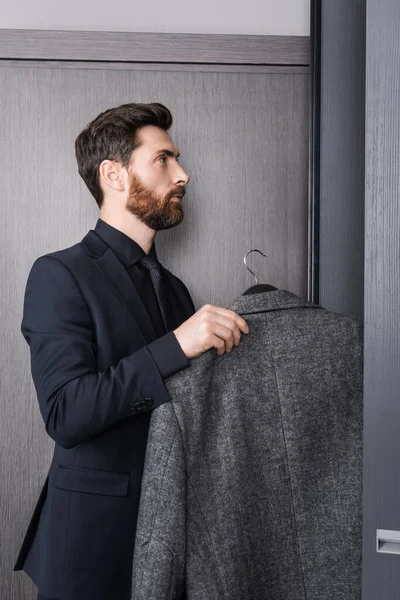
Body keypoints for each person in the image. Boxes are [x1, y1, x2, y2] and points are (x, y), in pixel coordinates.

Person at [13, 102, 249, 600]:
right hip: (92, 550)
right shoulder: (59, 275)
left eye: (178, 159)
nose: (183, 174)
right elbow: (66, 412)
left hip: (175, 548)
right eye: (164, 159)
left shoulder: (177, 290)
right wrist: (177, 346)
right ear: (113, 174)